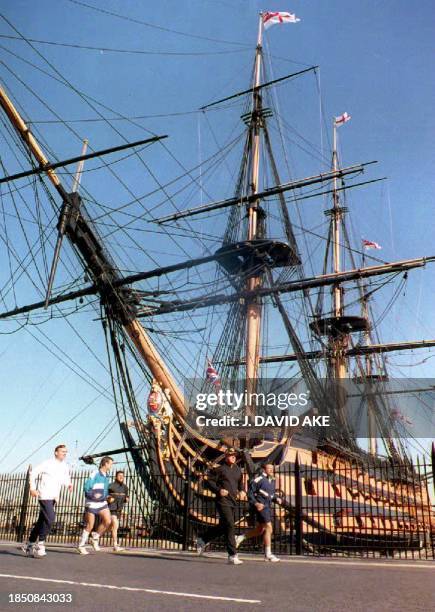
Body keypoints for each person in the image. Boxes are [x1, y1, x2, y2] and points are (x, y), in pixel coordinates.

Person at [196, 448, 246, 565]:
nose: (233, 457)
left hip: (233, 501)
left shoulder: (238, 471)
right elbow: (209, 482)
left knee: (224, 526)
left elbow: (240, 484)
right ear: (226, 456)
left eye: (234, 455)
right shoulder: (220, 469)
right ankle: (232, 555)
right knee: (230, 524)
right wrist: (219, 490)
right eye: (230, 455)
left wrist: (242, 491)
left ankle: (202, 539)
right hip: (222, 501)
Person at [22, 444, 72, 558]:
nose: (64, 453)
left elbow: (65, 478)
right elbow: (33, 472)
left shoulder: (64, 466)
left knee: (41, 521)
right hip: (44, 495)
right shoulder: (47, 463)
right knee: (50, 518)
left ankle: (29, 543)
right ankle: (40, 544)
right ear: (56, 452)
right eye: (62, 451)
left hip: (54, 496)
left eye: (66, 452)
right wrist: (32, 488)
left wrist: (69, 484)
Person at [235, 462, 281, 562]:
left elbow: (270, 494)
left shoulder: (272, 480)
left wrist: (277, 498)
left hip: (267, 507)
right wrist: (256, 504)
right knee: (269, 527)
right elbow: (250, 494)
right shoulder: (258, 480)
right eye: (269, 468)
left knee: (260, 530)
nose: (271, 470)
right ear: (264, 470)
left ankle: (240, 538)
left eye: (272, 469)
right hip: (261, 507)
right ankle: (268, 554)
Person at [77, 456, 113, 555]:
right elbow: (86, 486)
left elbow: (104, 489)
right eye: (110, 464)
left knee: (108, 521)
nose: (111, 466)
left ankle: (95, 538)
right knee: (90, 525)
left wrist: (106, 496)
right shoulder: (95, 473)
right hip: (92, 502)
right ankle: (81, 546)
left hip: (102, 502)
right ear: (105, 463)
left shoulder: (106, 475)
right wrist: (93, 495)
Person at [107, 470, 129, 552]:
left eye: (122, 476)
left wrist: (127, 499)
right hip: (111, 508)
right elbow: (105, 495)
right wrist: (108, 499)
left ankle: (96, 535)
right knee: (115, 525)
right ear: (116, 477)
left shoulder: (125, 487)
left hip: (119, 509)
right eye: (119, 475)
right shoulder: (110, 486)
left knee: (110, 527)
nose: (121, 477)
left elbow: (127, 497)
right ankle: (115, 545)